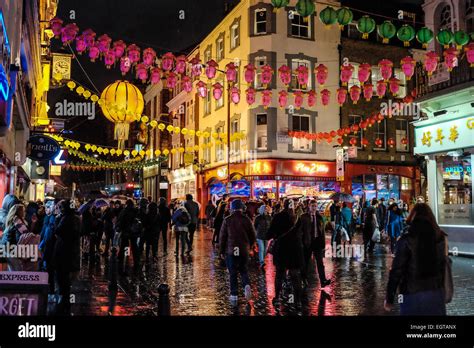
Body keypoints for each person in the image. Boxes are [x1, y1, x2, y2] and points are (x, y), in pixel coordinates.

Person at [385, 203, 448, 315]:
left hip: (411, 294)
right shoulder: (441, 238)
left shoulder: (406, 239)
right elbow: (445, 265)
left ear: (412, 217)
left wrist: (390, 298)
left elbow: (396, 271)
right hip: (436, 293)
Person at [267, 199, 303, 309]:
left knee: (279, 275)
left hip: (281, 249)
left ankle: (277, 298)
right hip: (295, 250)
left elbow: (269, 233)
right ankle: (298, 301)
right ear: (294, 206)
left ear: (284, 205)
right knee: (295, 276)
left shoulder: (277, 217)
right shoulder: (298, 218)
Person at [219, 199, 256, 306]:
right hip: (244, 250)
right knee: (243, 270)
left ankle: (234, 295)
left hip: (231, 250)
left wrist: (221, 251)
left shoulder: (227, 220)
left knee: (233, 273)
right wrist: (251, 246)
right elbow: (252, 234)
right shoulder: (247, 219)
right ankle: (246, 285)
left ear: (232, 208)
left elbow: (223, 237)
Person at [52, 200, 81, 314]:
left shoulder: (65, 218)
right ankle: (66, 301)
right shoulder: (76, 218)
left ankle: (63, 303)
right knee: (66, 281)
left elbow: (58, 231)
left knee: (62, 279)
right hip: (71, 253)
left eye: (61, 207)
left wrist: (57, 219)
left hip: (63, 253)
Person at [299, 200, 331, 289]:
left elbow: (322, 232)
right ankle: (303, 278)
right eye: (312, 206)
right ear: (309, 206)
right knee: (305, 262)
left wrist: (323, 244)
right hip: (307, 243)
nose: (314, 208)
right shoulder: (303, 217)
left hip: (317, 242)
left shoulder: (319, 217)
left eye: (315, 206)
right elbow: (300, 231)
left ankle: (323, 280)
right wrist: (301, 242)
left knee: (320, 263)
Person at [39, 200, 57, 296]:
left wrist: (41, 244)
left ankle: (50, 290)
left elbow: (48, 235)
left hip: (48, 248)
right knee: (47, 269)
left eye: (48, 207)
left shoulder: (52, 218)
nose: (46, 209)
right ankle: (49, 289)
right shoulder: (48, 217)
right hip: (46, 246)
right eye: (45, 207)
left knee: (48, 269)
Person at [116, 199, 139, 273]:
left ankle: (126, 258)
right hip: (133, 232)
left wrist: (119, 228)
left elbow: (120, 221)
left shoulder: (124, 211)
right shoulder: (135, 211)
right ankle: (135, 261)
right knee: (134, 246)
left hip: (126, 232)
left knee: (125, 245)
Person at [254, 204, 272, 269]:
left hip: (267, 235)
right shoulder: (258, 218)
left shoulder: (269, 217)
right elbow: (255, 226)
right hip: (259, 235)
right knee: (261, 249)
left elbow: (271, 226)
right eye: (265, 209)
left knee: (265, 249)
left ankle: (263, 260)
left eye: (267, 209)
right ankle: (261, 262)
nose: (266, 210)